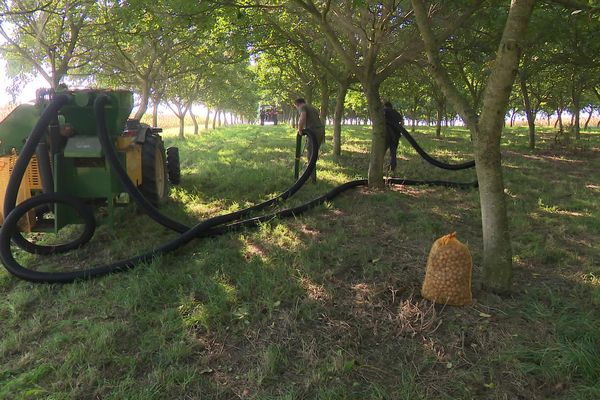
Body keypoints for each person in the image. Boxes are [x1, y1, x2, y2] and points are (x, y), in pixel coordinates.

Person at [295, 98, 325, 182]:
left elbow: (302, 117)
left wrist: (300, 130)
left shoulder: (303, 107)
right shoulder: (312, 107)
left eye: (296, 107)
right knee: (313, 153)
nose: (297, 109)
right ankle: (312, 177)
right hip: (320, 131)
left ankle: (312, 179)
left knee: (311, 155)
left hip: (314, 132)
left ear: (297, 104)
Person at [383, 101, 404, 171]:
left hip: (386, 135)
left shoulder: (383, 111)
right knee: (393, 153)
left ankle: (378, 166)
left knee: (381, 152)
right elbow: (402, 121)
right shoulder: (396, 113)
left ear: (385, 106)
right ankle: (392, 168)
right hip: (395, 136)